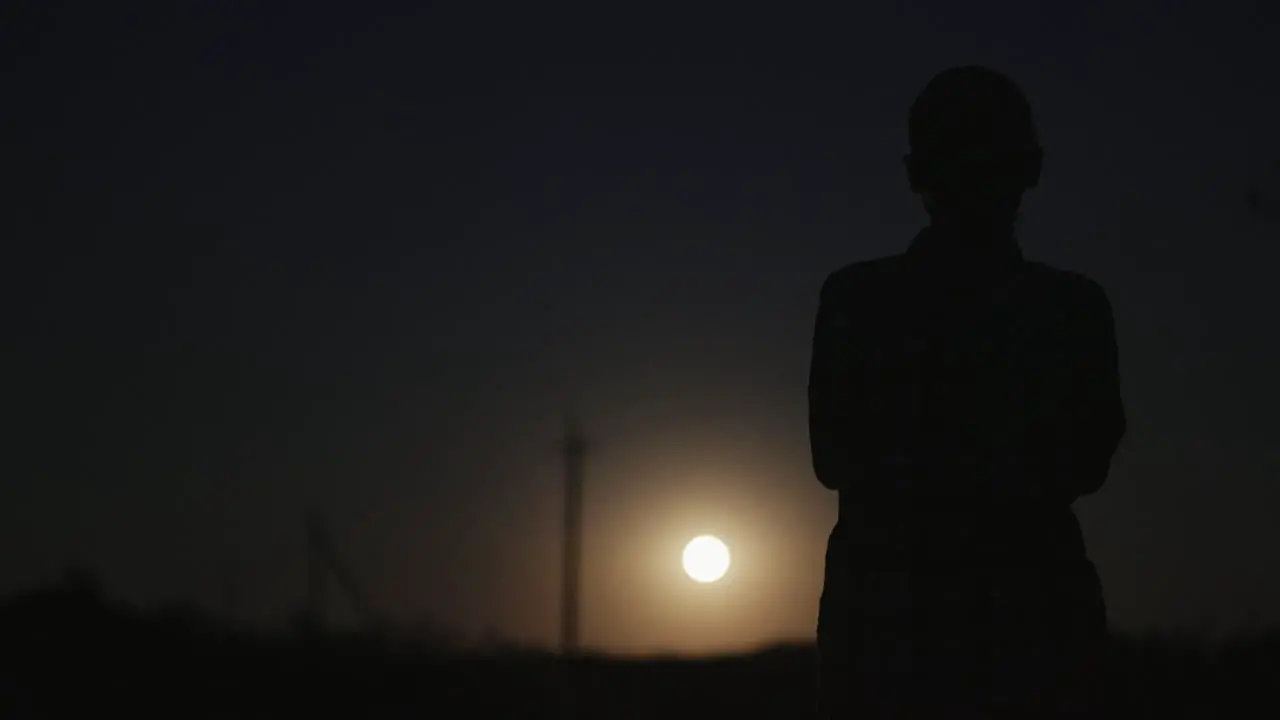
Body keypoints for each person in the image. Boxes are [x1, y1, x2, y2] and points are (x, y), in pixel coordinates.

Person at [809, 66, 1126, 718]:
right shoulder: (1069, 310)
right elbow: (1086, 460)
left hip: (899, 641)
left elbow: (835, 455)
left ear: (913, 173)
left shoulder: (858, 303)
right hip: (1019, 638)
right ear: (1032, 168)